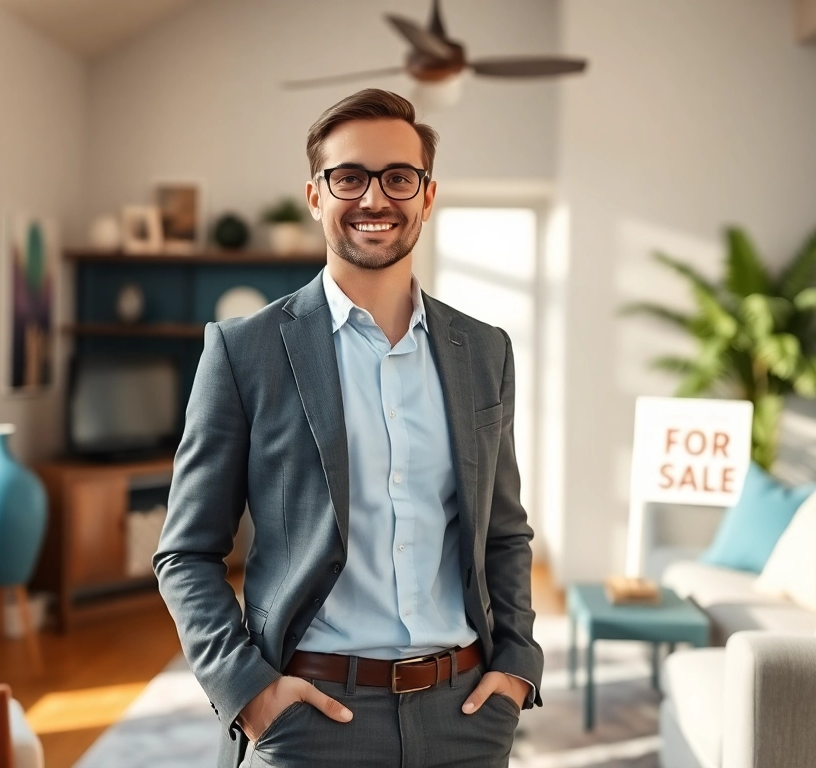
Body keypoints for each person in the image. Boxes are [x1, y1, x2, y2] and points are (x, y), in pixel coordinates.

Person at [153, 88, 543, 768]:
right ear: (315, 196)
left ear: (427, 195)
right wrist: (249, 691)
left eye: (398, 177)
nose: (373, 199)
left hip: (467, 716)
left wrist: (517, 668)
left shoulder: (486, 352)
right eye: (349, 177)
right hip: (310, 720)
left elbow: (503, 531)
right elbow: (186, 553)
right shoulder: (244, 352)